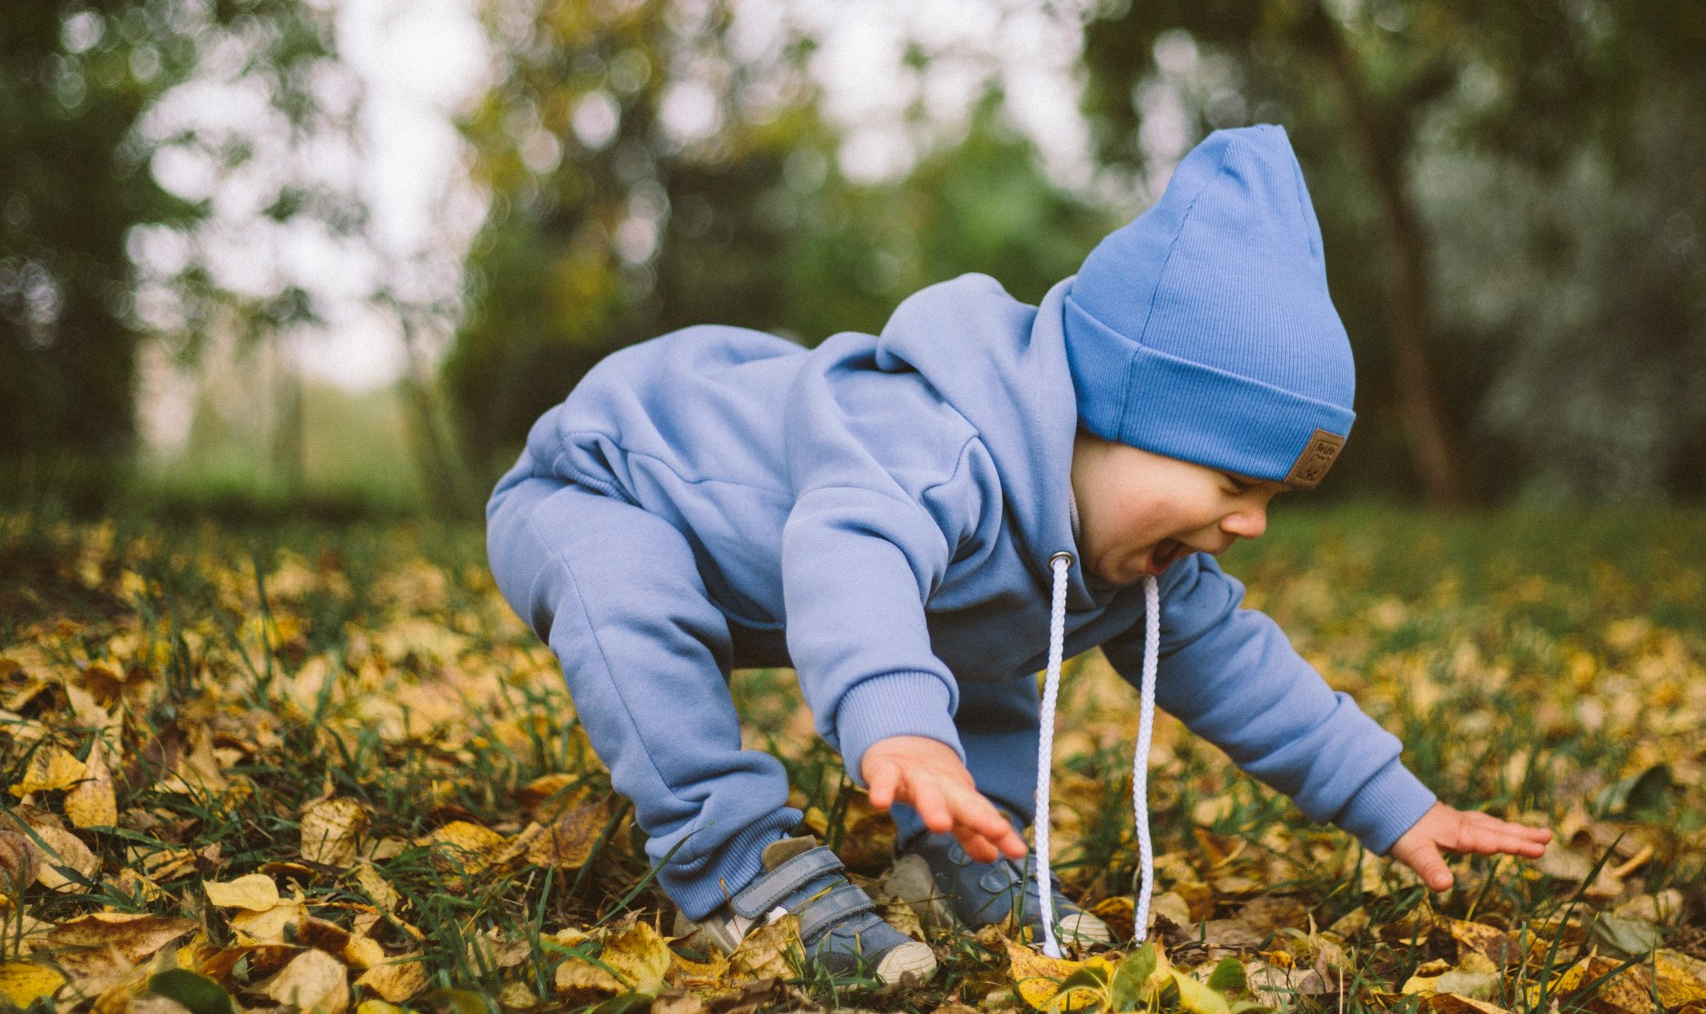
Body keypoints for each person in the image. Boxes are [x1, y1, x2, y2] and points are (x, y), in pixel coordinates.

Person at [486, 126, 1549, 987]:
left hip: (809, 547)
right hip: (611, 486)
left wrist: (1394, 799)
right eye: (1234, 486)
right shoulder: (937, 441)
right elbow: (849, 545)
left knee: (997, 616)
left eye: (1272, 499)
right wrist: (901, 721)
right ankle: (735, 863)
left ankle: (961, 853)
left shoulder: (1125, 550)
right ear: (1118, 413)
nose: (1251, 525)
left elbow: (1240, 668)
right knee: (637, 605)